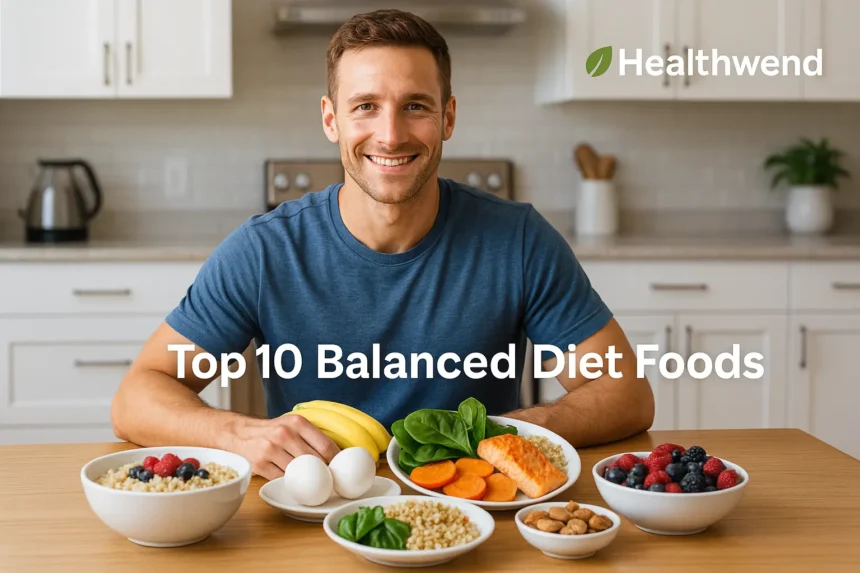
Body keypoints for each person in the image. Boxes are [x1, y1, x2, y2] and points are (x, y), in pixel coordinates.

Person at [111, 9, 654, 480]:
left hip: (476, 510)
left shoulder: (517, 240)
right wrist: (237, 435)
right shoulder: (264, 252)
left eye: (415, 105)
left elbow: (626, 393)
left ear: (449, 118)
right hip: (313, 515)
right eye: (365, 105)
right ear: (331, 119)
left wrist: (513, 430)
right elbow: (138, 395)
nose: (391, 135)